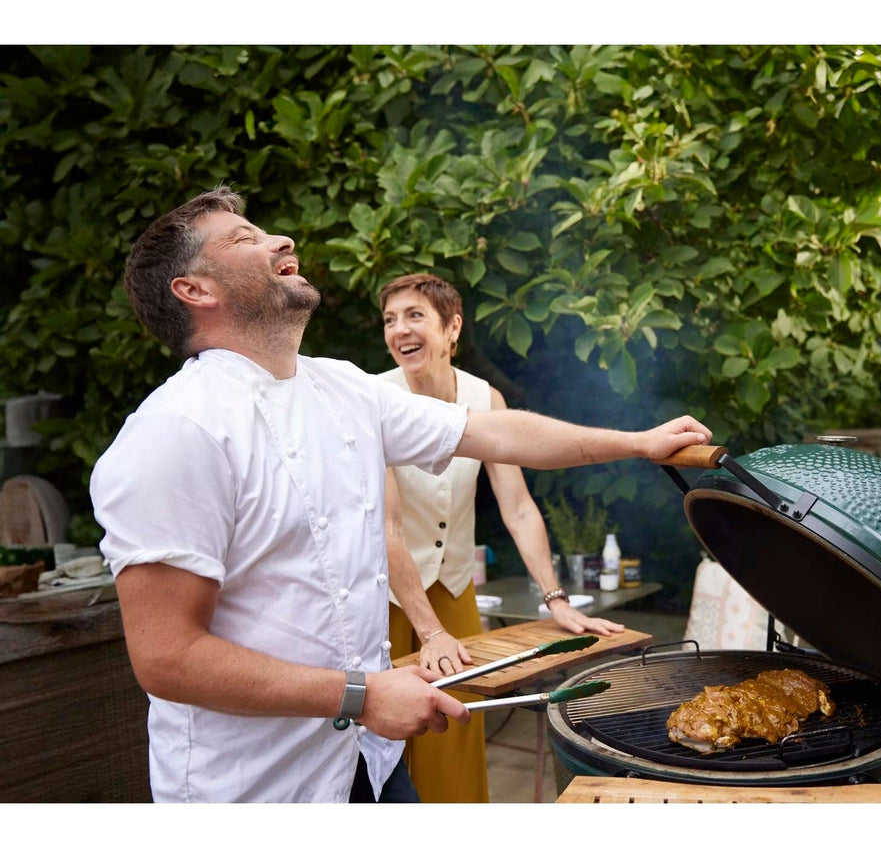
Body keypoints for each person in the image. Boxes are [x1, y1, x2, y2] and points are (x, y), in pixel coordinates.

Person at [88, 187, 711, 803]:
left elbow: (491, 431)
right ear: (196, 290)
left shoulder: (343, 387)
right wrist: (360, 694)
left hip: (369, 763)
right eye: (245, 238)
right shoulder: (175, 433)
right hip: (256, 786)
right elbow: (168, 657)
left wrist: (637, 441)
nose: (282, 240)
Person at [376, 272, 625, 802]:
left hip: (455, 592)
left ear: (452, 328)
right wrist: (429, 631)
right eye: (390, 320)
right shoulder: (374, 398)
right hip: (390, 601)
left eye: (415, 316)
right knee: (388, 745)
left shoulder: (482, 397)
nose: (400, 330)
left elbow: (516, 506)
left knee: (457, 731)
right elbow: (386, 528)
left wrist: (555, 601)